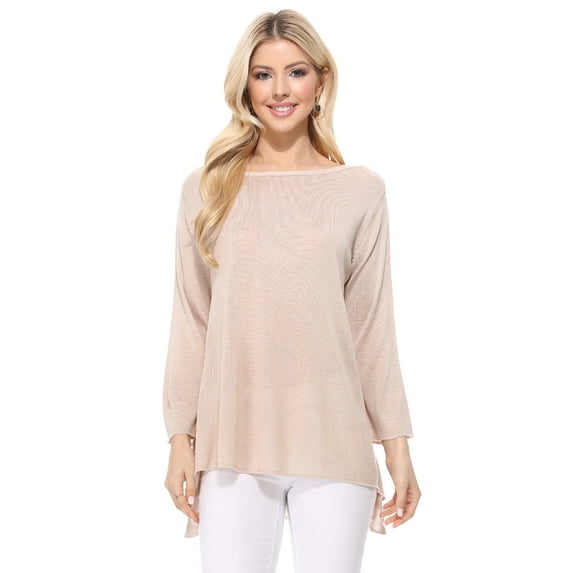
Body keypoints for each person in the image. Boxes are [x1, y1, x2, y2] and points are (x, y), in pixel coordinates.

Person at [162, 9, 420, 573]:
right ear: (245, 86)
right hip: (232, 441)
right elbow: (193, 320)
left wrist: (396, 446)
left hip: (334, 438)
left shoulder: (359, 191)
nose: (280, 90)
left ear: (321, 81)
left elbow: (372, 328)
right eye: (263, 74)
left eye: (296, 72)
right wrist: (180, 437)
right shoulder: (206, 191)